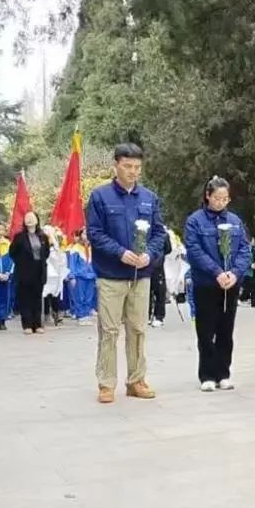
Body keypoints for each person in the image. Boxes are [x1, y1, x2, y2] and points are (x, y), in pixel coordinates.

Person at [86, 142, 167, 404]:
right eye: (128, 166)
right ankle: (106, 383)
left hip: (140, 276)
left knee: (138, 329)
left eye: (137, 167)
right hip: (111, 274)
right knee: (109, 331)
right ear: (116, 166)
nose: (133, 171)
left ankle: (136, 380)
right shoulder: (100, 197)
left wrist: (149, 254)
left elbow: (159, 233)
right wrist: (120, 252)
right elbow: (95, 233)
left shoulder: (149, 198)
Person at [184, 176, 251, 392]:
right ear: (208, 196)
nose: (221, 202)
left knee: (226, 330)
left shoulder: (235, 221)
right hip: (206, 283)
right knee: (206, 330)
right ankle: (207, 374)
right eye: (217, 198)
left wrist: (235, 273)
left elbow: (244, 249)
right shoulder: (195, 221)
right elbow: (194, 251)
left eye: (225, 199)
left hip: (230, 284)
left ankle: (223, 373)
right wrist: (216, 272)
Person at [10, 211, 50, 334]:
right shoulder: (19, 237)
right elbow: (12, 252)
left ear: (37, 220)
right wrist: (22, 262)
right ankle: (27, 324)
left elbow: (46, 252)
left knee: (37, 298)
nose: (29, 219)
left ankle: (37, 324)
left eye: (32, 217)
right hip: (24, 271)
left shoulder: (43, 237)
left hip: (39, 270)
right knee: (25, 298)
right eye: (27, 217)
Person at [67, 227, 97, 326]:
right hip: (80, 276)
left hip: (91, 276)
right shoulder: (75, 248)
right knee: (79, 296)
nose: (86, 236)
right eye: (84, 233)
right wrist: (72, 276)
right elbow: (72, 263)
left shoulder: (92, 247)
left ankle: (87, 314)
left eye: (88, 233)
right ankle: (81, 315)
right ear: (80, 235)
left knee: (89, 296)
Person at [42, 226, 69, 326]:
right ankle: (46, 314)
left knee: (55, 294)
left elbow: (60, 260)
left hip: (55, 275)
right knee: (44, 294)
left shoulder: (56, 248)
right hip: (44, 274)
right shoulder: (41, 246)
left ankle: (56, 313)